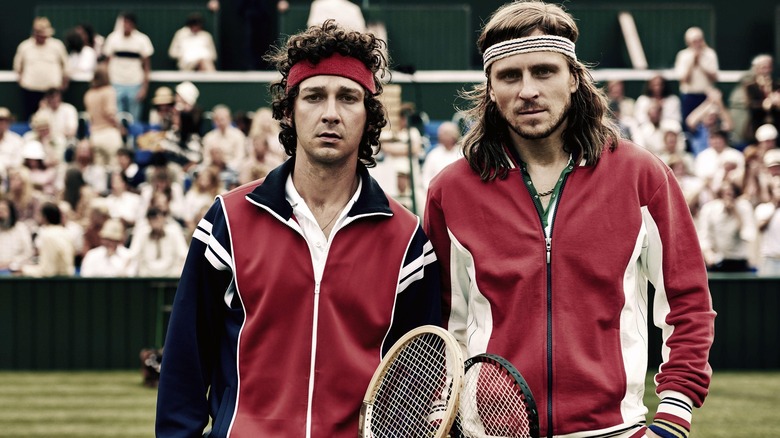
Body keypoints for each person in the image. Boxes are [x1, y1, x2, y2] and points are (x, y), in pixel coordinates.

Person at [423, 3, 715, 437]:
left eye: (543, 71)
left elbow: (688, 304)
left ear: (574, 78)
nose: (527, 90)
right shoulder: (451, 190)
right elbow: (443, 326)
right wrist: (439, 410)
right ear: (490, 87)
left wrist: (673, 417)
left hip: (614, 430)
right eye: (509, 76)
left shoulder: (641, 176)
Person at [156, 20, 441, 437]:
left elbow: (416, 384)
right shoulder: (228, 221)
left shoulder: (408, 241)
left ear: (369, 115)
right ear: (288, 112)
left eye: (348, 97)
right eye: (313, 96)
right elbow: (185, 360)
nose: (330, 113)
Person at [13, 17, 69, 121]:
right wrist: (22, 82)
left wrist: (63, 85)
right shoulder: (24, 46)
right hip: (30, 91)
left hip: (52, 91)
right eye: (41, 35)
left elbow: (65, 66)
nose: (44, 38)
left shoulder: (57, 45)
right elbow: (18, 68)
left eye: (45, 35)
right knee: (32, 119)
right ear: (35, 33)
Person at [102, 12, 154, 123]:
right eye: (124, 23)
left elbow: (147, 66)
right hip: (115, 82)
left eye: (129, 23)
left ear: (134, 25)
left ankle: (134, 139)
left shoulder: (142, 40)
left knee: (134, 120)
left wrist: (144, 88)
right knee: (116, 118)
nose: (126, 26)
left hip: (135, 83)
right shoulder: (113, 38)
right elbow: (106, 63)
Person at [697, 179, 757, 272]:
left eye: (731, 193)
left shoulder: (744, 207)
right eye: (725, 193)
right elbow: (704, 236)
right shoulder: (709, 208)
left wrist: (735, 212)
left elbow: (748, 235)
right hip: (717, 261)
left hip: (739, 261)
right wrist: (708, 254)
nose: (728, 196)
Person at [673, 27, 719, 131]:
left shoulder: (710, 54)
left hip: (706, 96)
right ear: (688, 42)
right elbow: (684, 80)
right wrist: (693, 62)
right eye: (694, 41)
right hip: (689, 96)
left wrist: (701, 64)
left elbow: (714, 78)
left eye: (699, 40)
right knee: (689, 126)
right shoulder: (683, 55)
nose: (697, 43)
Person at [128, 206, 188, 277]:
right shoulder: (142, 233)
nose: (156, 223)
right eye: (152, 220)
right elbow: (133, 254)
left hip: (171, 275)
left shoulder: (174, 231)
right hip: (146, 275)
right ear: (148, 221)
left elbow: (183, 253)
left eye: (157, 219)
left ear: (163, 219)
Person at [19, 202, 75, 277]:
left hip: (56, 284)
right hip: (67, 281)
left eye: (39, 214)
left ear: (44, 217)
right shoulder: (65, 233)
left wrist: (24, 270)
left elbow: (47, 271)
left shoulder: (48, 236)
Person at [84, 64, 124, 167]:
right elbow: (110, 114)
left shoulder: (89, 94)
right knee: (116, 167)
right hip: (109, 134)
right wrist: (120, 127)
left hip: (95, 136)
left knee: (99, 170)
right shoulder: (109, 91)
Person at [743, 54, 780, 143]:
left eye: (768, 67)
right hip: (757, 124)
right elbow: (750, 105)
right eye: (763, 68)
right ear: (756, 69)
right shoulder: (750, 86)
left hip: (776, 125)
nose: (766, 71)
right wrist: (768, 103)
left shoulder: (777, 86)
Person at [201, 104, 246, 169]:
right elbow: (206, 158)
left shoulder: (238, 135)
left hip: (233, 170)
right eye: (217, 120)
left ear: (229, 119)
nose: (220, 122)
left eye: (222, 119)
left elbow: (240, 157)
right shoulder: (208, 137)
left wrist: (228, 166)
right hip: (212, 169)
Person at [421, 121, 462, 190]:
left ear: (454, 135)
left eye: (445, 133)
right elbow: (425, 177)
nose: (441, 135)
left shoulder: (462, 153)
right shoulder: (433, 154)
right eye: (440, 133)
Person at [0, 199, 35, 274]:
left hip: (15, 271)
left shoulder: (20, 228)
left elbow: (28, 253)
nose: (1, 214)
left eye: (3, 210)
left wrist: (10, 264)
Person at [0, 107, 24, 171]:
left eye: (5, 121)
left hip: (10, 174)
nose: (2, 124)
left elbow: (19, 161)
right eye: (0, 121)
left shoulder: (16, 140)